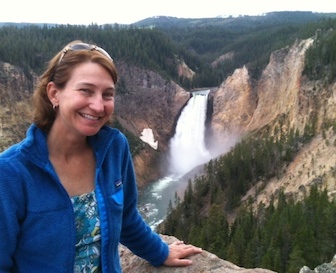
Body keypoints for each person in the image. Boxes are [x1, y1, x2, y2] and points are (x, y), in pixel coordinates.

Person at [0, 40, 202, 273]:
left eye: (108, 94)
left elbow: (126, 219)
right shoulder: (11, 172)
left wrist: (161, 252)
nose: (98, 105)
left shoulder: (115, 148)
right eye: (85, 90)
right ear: (54, 93)